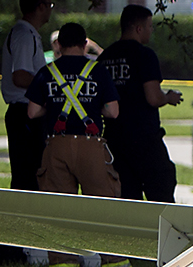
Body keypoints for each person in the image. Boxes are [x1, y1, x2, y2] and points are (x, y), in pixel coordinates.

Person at [98, 5, 184, 202]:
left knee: (126, 196)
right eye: (149, 26)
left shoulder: (105, 58)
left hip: (115, 139)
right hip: (144, 138)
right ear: (138, 28)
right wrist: (168, 98)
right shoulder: (145, 55)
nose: (151, 30)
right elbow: (153, 97)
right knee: (161, 189)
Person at [26, 22, 121, 197]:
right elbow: (112, 111)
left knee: (59, 206)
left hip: (57, 144)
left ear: (59, 44)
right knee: (100, 204)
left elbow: (32, 112)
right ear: (85, 44)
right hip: (91, 144)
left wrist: (54, 105)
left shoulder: (47, 72)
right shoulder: (98, 71)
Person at [0, 0, 52, 190]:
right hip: (24, 112)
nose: (50, 9)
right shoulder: (24, 34)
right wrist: (49, 86)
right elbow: (20, 76)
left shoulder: (29, 34)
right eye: (49, 5)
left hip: (26, 112)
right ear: (40, 7)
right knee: (28, 173)